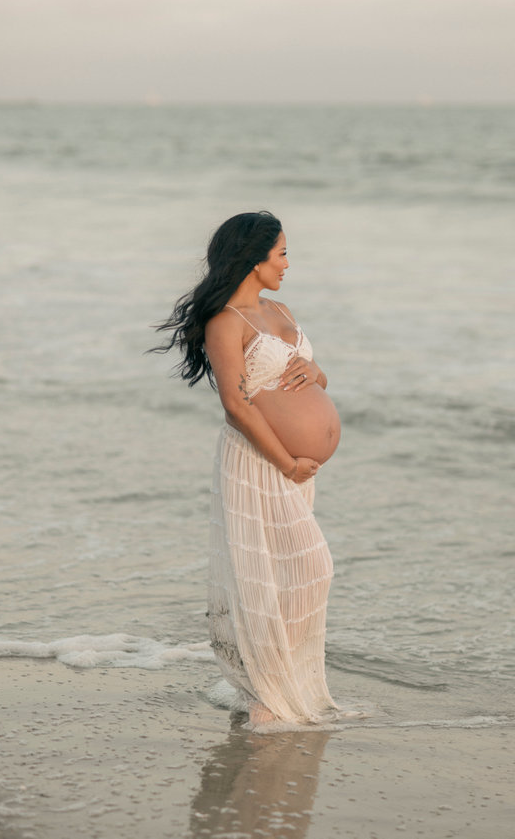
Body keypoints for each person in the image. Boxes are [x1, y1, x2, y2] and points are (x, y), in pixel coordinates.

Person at [152, 211, 342, 728]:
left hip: (297, 469)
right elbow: (237, 405)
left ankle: (283, 687)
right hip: (260, 461)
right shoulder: (226, 322)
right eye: (280, 253)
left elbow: (308, 376)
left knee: (291, 575)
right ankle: (265, 691)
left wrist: (314, 370)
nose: (287, 263)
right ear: (253, 259)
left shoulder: (279, 308)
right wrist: (286, 462)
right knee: (298, 569)